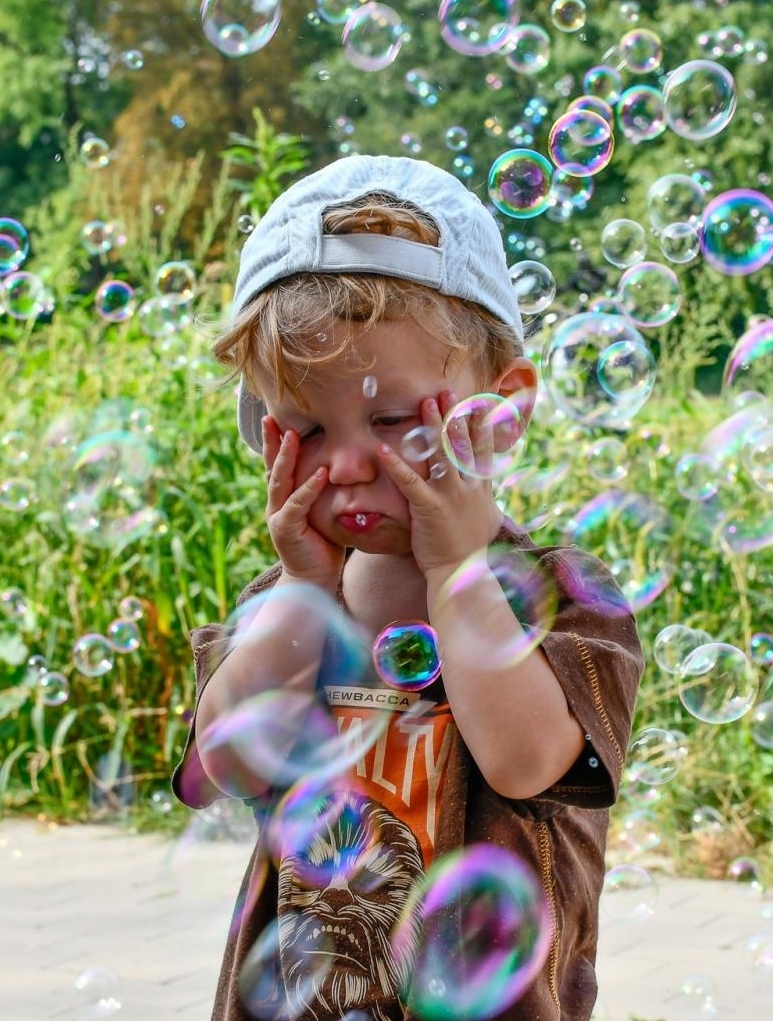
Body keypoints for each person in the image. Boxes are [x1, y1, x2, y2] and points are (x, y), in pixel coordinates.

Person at [172, 154, 645, 1021]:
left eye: (391, 419)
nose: (348, 464)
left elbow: (526, 761)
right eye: (307, 427)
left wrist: (456, 572)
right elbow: (225, 764)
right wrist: (306, 596)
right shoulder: (279, 604)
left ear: (498, 412)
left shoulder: (562, 595)